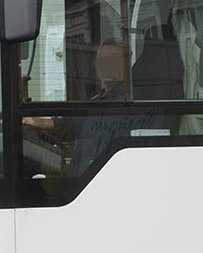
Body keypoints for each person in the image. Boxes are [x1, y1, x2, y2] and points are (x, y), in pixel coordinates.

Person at [22, 39, 155, 174]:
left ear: (125, 65)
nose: (106, 64)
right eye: (102, 59)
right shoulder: (98, 98)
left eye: (113, 60)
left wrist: (44, 123)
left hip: (104, 175)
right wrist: (37, 124)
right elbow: (76, 124)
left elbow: (85, 122)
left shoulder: (129, 100)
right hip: (84, 173)